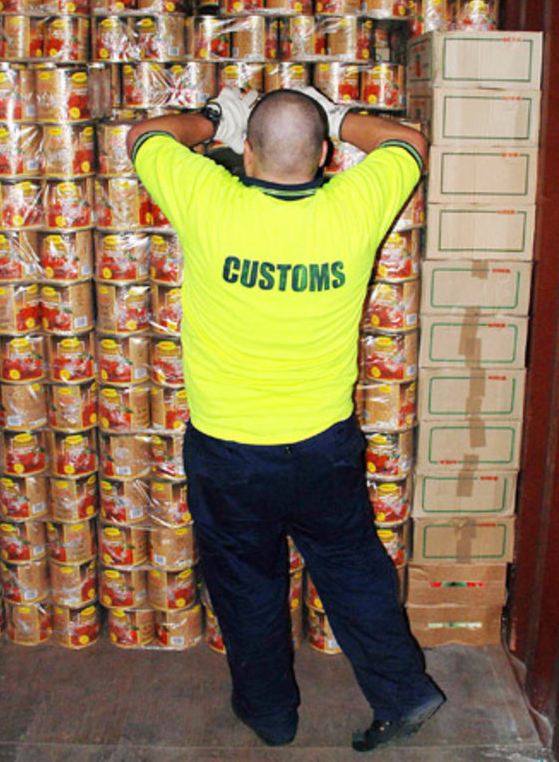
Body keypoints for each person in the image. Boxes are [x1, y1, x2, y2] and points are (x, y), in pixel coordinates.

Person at [126, 86, 446, 753]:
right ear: (328, 156)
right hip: (323, 443)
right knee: (352, 566)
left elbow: (143, 135)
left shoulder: (209, 199)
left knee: (246, 582)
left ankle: (272, 717)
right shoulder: (355, 205)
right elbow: (409, 144)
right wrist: (338, 115)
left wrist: (212, 117)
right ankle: (403, 689)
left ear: (244, 152)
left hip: (229, 448)